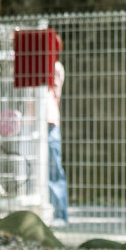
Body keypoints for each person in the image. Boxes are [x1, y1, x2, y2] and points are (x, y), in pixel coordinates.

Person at [48, 58, 68, 226]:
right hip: (32, 123)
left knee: (54, 171)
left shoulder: (55, 67)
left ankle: (60, 214)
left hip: (49, 123)